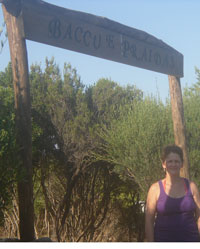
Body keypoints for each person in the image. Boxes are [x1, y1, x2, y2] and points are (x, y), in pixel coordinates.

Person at [145, 144, 200, 242]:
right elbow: (149, 221)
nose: (173, 164)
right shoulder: (155, 189)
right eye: (170, 161)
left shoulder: (192, 186)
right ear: (164, 164)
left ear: (182, 164)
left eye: (176, 161)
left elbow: (199, 216)